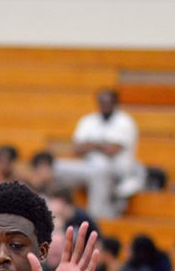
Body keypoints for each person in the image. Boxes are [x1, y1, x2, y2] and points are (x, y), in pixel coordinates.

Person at [56, 89, 145, 218]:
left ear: (115, 103)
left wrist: (91, 144)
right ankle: (59, 214)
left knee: (99, 172)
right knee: (56, 167)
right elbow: (76, 149)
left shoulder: (125, 122)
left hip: (116, 171)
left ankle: (95, 217)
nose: (105, 104)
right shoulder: (88, 121)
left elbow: (112, 150)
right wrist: (101, 145)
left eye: (108, 101)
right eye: (102, 101)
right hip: (89, 166)